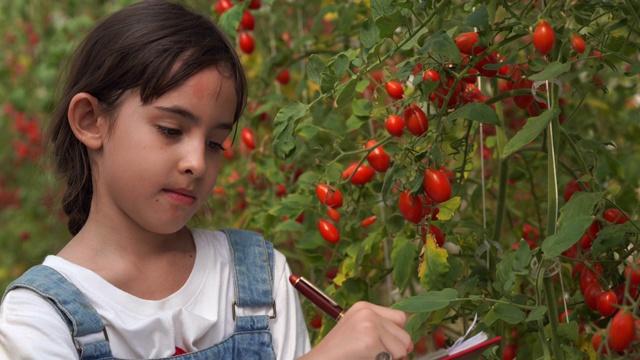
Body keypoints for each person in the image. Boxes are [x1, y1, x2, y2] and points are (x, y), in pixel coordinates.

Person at [0, 1, 412, 359]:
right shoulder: (38, 320)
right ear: (91, 121)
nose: (197, 162)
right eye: (170, 130)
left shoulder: (258, 276)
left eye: (216, 144)